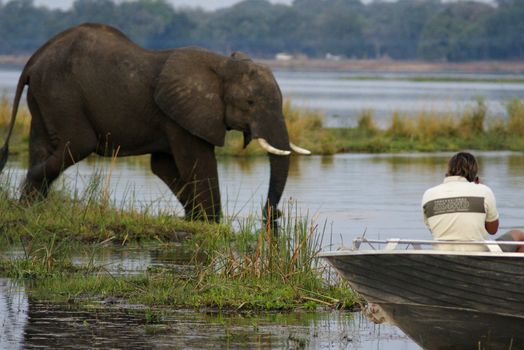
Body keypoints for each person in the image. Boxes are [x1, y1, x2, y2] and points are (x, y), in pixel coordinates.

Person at [422, 152, 524, 252]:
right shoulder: (483, 191)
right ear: (474, 172)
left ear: (449, 170)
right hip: (479, 254)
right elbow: (492, 230)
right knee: (518, 235)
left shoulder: (428, 194)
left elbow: (434, 230)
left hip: (441, 254)